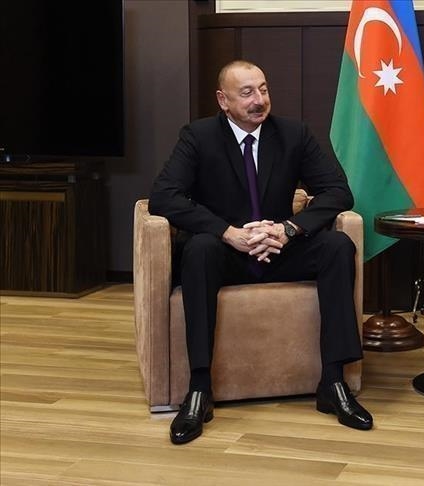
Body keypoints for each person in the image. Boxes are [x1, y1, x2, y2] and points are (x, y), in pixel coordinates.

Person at [149, 60, 373, 445]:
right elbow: (163, 196)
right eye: (247, 92)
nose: (259, 100)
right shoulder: (199, 137)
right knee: (199, 250)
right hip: (226, 254)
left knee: (337, 246)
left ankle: (333, 382)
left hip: (280, 248)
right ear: (223, 100)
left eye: (264, 89)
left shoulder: (293, 134)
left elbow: (338, 191)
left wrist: (288, 229)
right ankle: (199, 389)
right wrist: (228, 233)